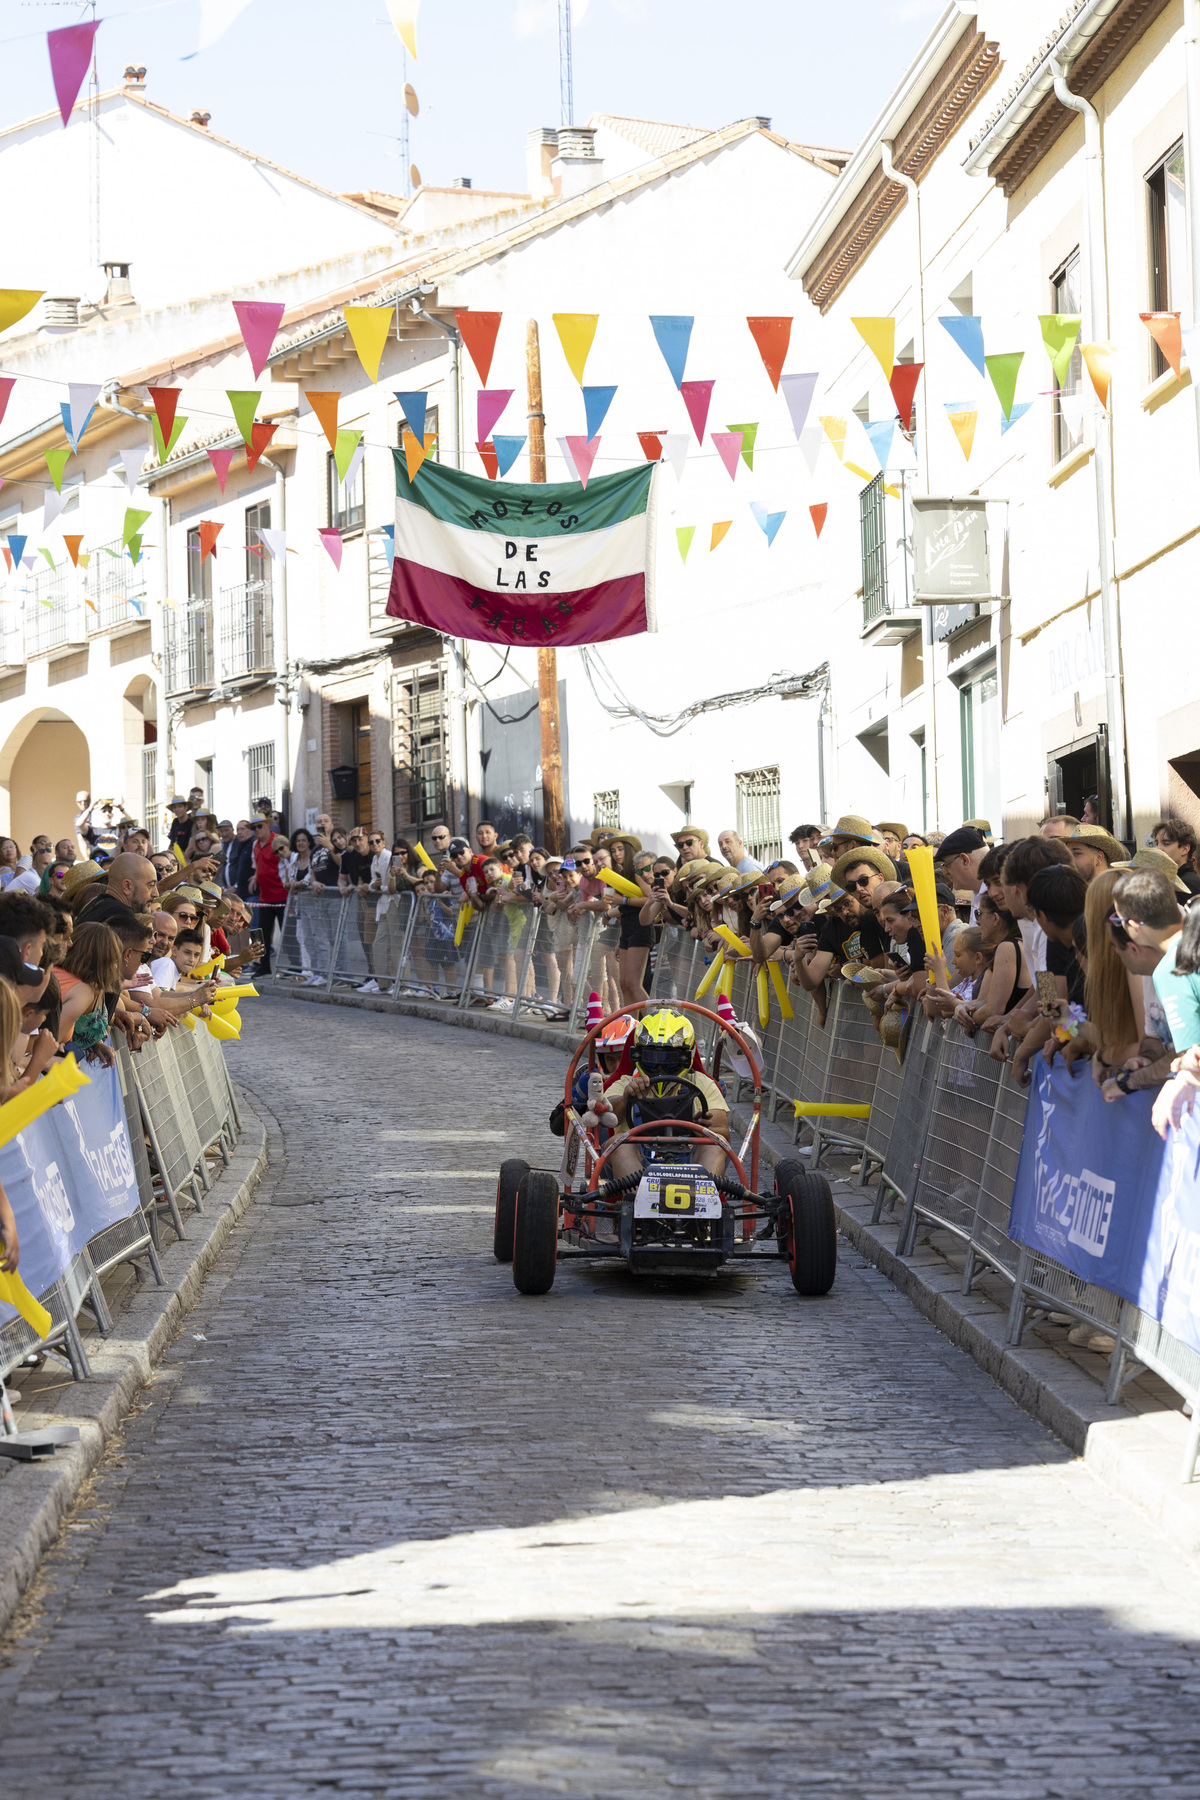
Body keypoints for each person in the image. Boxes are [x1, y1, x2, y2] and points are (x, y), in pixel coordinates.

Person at [604, 1009, 729, 1184]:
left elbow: (723, 1133)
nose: (659, 1068)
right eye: (651, 1060)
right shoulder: (626, 1083)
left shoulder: (702, 1083)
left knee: (717, 1142)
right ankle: (636, 1200)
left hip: (691, 1162)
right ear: (637, 1056)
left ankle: (702, 1197)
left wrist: (703, 1129)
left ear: (687, 1058)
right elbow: (606, 1117)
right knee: (617, 1142)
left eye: (668, 1061)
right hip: (637, 1164)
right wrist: (626, 1099)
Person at [74, 851, 158, 928]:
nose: (156, 893)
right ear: (127, 886)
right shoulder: (121, 916)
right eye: (151, 885)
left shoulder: (94, 905)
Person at [249, 816, 288, 975]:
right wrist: (255, 878)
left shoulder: (278, 841)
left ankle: (295, 967)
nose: (257, 830)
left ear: (267, 825)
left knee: (288, 933)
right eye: (254, 828)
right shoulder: (255, 845)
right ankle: (264, 966)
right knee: (262, 934)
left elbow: (287, 862)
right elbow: (258, 865)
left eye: (260, 826)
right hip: (265, 897)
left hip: (282, 895)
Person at [933, 827, 989, 919]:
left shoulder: (999, 896)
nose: (945, 872)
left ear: (965, 860)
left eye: (946, 864)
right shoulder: (977, 891)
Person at [1151, 818, 1200, 895]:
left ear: (1185, 849)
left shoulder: (1188, 885)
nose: (1158, 848)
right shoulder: (1169, 879)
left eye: (1166, 843)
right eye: (1157, 843)